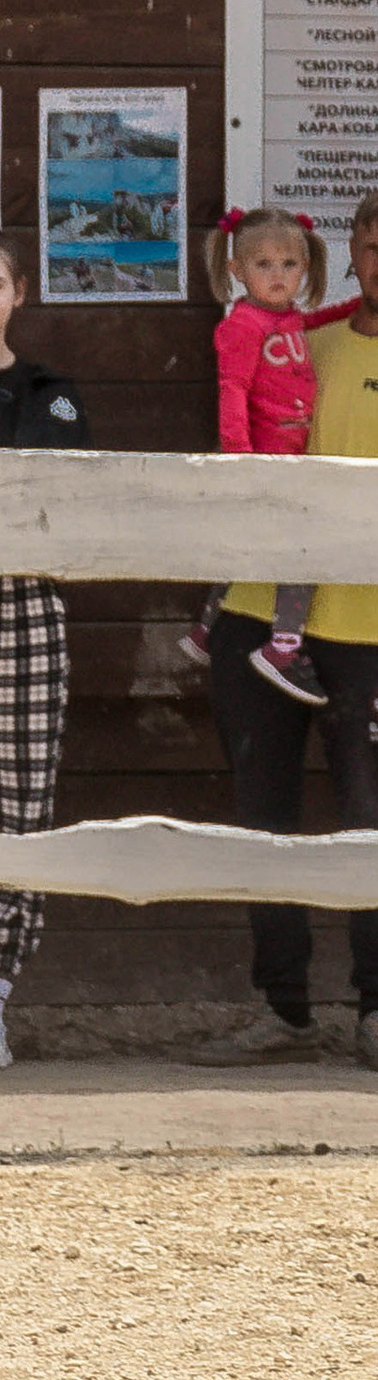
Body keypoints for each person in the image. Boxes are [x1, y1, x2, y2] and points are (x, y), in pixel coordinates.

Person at [195, 187, 378, 1072]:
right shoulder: (295, 333)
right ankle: (285, 1009)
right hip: (261, 616)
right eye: (369, 248)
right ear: (346, 256)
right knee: (264, 820)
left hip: (374, 625)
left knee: (370, 820)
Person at [184, 205, 357, 705]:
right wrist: (242, 459)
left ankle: (205, 631)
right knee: (299, 551)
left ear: (304, 268)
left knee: (244, 549)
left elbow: (309, 323)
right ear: (237, 270)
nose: (278, 275)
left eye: (289, 265)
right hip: (267, 460)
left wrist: (350, 310)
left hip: (287, 456)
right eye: (263, 265)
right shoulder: (243, 325)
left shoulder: (282, 319)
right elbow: (232, 390)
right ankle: (283, 647)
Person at [0, 235, 89, 1064]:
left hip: (21, 607)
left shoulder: (46, 393)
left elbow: (49, 498)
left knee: (20, 814)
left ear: (18, 291)